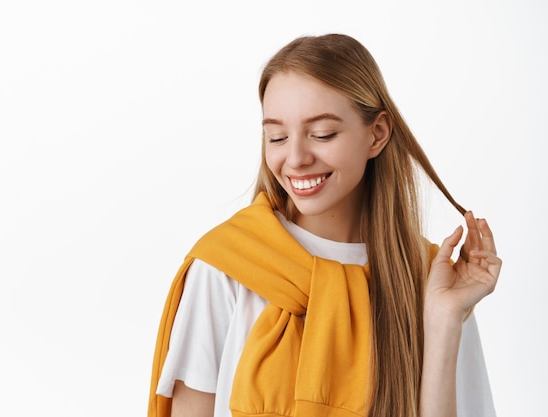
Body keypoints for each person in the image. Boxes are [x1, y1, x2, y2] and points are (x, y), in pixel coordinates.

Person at [147, 34, 501, 417]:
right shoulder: (226, 267)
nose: (295, 158)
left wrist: (444, 321)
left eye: (322, 134)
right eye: (277, 136)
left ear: (377, 134)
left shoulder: (432, 279)